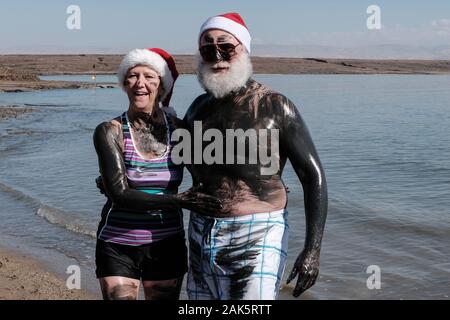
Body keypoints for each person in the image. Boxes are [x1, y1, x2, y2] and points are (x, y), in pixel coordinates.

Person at [183, 12, 328, 299]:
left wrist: (312, 250)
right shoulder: (197, 109)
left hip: (258, 235)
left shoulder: (276, 106)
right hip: (201, 233)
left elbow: (313, 176)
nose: (217, 55)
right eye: (207, 48)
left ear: (244, 50)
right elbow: (173, 161)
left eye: (226, 46)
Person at [93, 48, 222, 300]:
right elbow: (120, 195)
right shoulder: (109, 131)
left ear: (161, 85)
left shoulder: (180, 131)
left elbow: (207, 176)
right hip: (117, 243)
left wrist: (261, 182)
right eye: (132, 76)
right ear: (124, 83)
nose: (140, 83)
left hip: (167, 244)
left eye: (149, 77)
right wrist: (177, 201)